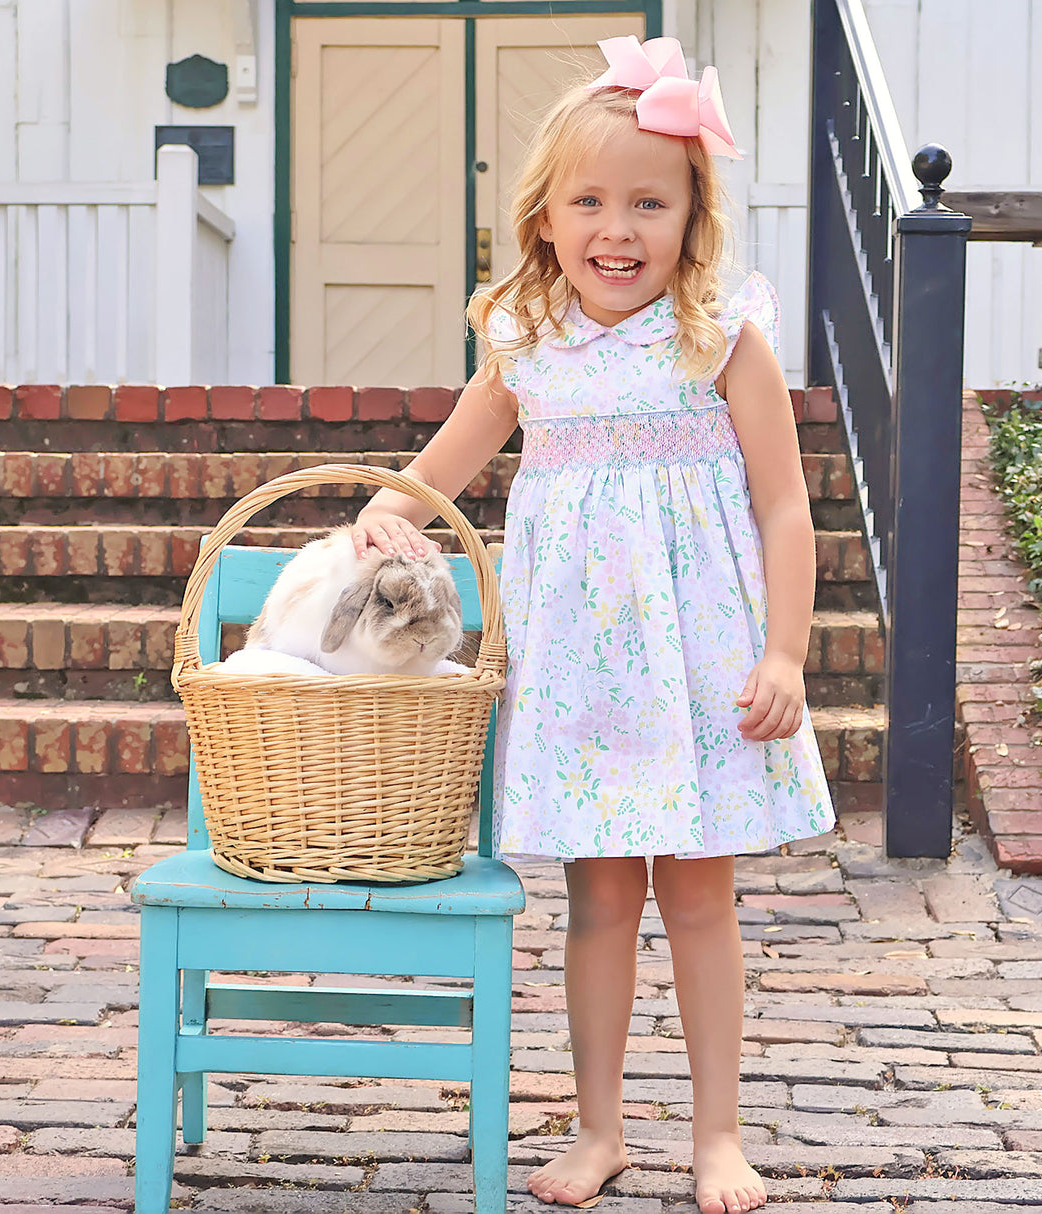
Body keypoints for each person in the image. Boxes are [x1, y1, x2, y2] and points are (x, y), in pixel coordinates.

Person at [352, 34, 836, 1214]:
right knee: (600, 896)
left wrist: (783, 649)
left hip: (703, 658)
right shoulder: (527, 341)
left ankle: (717, 1132)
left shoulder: (719, 333)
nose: (616, 229)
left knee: (700, 894)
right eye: (590, 201)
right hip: (580, 669)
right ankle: (600, 1122)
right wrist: (387, 504)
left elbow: (782, 502)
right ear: (546, 217)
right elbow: (446, 464)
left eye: (647, 202)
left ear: (690, 215)